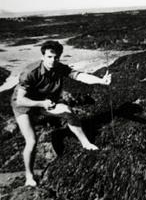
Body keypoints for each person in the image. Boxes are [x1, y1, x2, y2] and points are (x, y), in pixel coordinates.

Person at [11, 41, 111, 186]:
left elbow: (79, 76)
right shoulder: (30, 72)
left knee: (68, 111)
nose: (53, 61)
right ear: (43, 56)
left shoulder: (59, 67)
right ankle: (29, 176)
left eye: (56, 57)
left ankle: (85, 143)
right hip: (25, 105)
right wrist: (41, 103)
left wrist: (101, 81)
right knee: (32, 141)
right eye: (50, 57)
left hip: (45, 101)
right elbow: (20, 100)